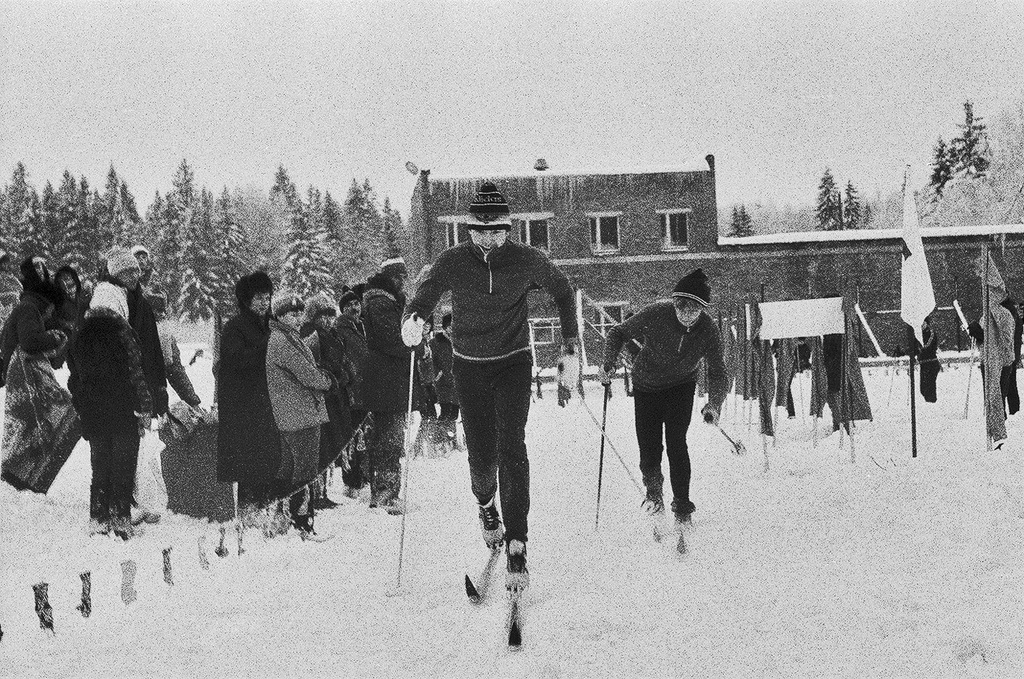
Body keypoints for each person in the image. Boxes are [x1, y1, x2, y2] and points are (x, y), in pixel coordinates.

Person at [402, 181, 579, 593]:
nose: (489, 239)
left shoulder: (526, 259)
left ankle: (517, 540)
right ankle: (487, 508)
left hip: (513, 362)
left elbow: (562, 290)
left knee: (512, 445)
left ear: (508, 229)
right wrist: (413, 317)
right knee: (482, 456)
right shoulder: (453, 261)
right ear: (469, 230)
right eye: (481, 232)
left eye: (497, 230)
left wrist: (569, 346)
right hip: (469, 367)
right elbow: (425, 293)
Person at [599, 268, 727, 531]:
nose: (686, 313)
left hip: (681, 385)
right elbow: (617, 333)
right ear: (674, 302)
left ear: (702, 309)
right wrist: (608, 363)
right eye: (681, 305)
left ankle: (682, 503)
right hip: (646, 385)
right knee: (649, 446)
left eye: (693, 308)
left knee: (677, 443)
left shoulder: (709, 330)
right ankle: (654, 492)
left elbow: (717, 372)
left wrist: (714, 404)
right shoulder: (658, 312)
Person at [69, 282, 152, 539]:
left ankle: (98, 517)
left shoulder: (80, 334)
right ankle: (121, 518)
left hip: (94, 411)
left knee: (100, 466)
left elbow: (74, 377)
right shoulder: (123, 332)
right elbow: (136, 373)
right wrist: (146, 407)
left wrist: (81, 404)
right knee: (123, 465)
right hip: (122, 409)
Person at [0, 259, 78, 494]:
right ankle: (21, 481)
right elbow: (30, 341)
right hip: (25, 373)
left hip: (28, 371)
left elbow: (49, 357)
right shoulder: (29, 306)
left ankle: (24, 481)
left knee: (31, 428)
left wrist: (59, 339)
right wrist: (55, 338)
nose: (44, 273)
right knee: (51, 421)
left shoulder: (34, 305)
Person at [216, 272, 283, 526]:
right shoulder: (235, 327)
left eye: (267, 297)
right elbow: (237, 361)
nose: (264, 303)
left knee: (267, 459)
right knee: (248, 463)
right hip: (243, 405)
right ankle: (248, 514)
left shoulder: (271, 324)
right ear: (246, 300)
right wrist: (268, 344)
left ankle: (264, 510)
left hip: (267, 402)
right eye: (259, 298)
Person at [266, 292, 332, 540]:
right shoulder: (283, 341)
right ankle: (303, 523)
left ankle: (282, 518)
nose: (296, 317)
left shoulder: (287, 338)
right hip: (300, 414)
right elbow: (307, 374)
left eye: (299, 312)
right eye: (291, 313)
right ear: (280, 316)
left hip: (292, 414)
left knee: (288, 468)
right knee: (305, 470)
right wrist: (327, 381)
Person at [363, 258, 419, 515]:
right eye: (400, 277)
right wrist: (414, 344)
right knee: (390, 438)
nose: (403, 282)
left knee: (387, 437)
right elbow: (392, 339)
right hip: (387, 380)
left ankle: (382, 491)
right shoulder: (381, 303)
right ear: (391, 277)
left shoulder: (383, 301)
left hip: (387, 380)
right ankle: (386, 493)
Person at [301, 292, 354, 509]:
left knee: (331, 443)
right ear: (313, 316)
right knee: (321, 444)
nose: (327, 320)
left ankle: (322, 491)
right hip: (322, 396)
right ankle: (315, 494)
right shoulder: (310, 336)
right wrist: (335, 375)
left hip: (336, 395)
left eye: (330, 315)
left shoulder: (332, 334)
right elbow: (314, 366)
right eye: (323, 315)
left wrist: (346, 373)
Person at [105, 248, 168, 418]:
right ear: (116, 276)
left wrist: (161, 384)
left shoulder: (144, 305)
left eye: (135, 272)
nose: (133, 276)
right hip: (118, 382)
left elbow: (155, 347)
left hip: (144, 379)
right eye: (127, 273)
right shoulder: (109, 302)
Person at [336, 288, 369, 498]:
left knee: (363, 436)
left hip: (365, 391)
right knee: (351, 437)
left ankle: (361, 478)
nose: (354, 308)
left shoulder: (362, 328)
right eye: (348, 305)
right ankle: (351, 482)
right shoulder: (341, 329)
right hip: (350, 392)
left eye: (356, 303)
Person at [149, 293, 201, 409]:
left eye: (162, 311)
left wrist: (192, 401)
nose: (161, 315)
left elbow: (173, 368)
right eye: (157, 311)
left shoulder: (163, 332)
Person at [431, 312, 460, 455]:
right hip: (443, 383)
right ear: (445, 327)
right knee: (445, 412)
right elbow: (432, 361)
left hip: (457, 383)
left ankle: (451, 440)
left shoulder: (459, 340)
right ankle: (438, 440)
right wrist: (438, 374)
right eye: (449, 326)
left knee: (455, 413)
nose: (452, 329)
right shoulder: (437, 342)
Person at [917, 315, 941, 404]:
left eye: (922, 323)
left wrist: (918, 349)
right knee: (923, 388)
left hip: (931, 363)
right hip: (923, 363)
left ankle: (931, 404)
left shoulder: (931, 333)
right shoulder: (917, 334)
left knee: (929, 387)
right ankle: (928, 403)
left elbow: (927, 346)